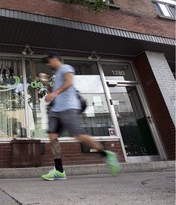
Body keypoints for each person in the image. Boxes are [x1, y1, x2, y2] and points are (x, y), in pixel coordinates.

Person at [39, 52, 120, 181]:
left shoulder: (65, 68)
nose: (48, 64)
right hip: (56, 110)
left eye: (48, 61)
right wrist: (46, 84)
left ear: (55, 59)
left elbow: (69, 82)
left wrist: (54, 93)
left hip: (68, 108)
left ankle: (106, 153)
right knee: (52, 136)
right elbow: (56, 92)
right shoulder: (56, 74)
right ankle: (59, 171)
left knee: (79, 135)